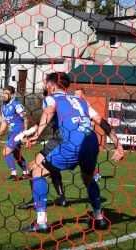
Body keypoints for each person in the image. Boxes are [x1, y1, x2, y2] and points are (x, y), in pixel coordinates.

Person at [21, 72, 124, 233]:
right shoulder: (81, 101)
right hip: (92, 143)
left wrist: (37, 134)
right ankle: (99, 218)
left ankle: (41, 222)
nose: (44, 85)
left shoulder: (51, 98)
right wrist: (119, 146)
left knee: (37, 172)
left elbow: (48, 111)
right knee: (88, 179)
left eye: (45, 83)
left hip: (73, 144)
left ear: (51, 85)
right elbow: (102, 123)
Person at [18, 82, 68, 210]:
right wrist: (30, 133)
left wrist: (34, 135)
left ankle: (36, 200)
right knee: (53, 167)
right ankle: (61, 197)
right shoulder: (67, 103)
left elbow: (47, 116)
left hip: (59, 139)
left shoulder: (50, 101)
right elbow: (41, 123)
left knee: (33, 167)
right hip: (63, 139)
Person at [0, 86, 29, 181]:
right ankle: (26, 173)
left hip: (17, 134)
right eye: (3, 93)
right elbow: (4, 122)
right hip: (10, 134)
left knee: (5, 152)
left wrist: (25, 134)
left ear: (12, 95)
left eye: (6, 93)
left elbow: (25, 119)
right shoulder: (3, 107)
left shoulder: (16, 105)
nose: (4, 95)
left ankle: (13, 174)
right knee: (17, 156)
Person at [74, 87, 102, 181]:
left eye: (78, 94)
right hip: (78, 134)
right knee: (82, 158)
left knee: (85, 157)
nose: (75, 96)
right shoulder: (73, 106)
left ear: (83, 95)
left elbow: (94, 122)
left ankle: (95, 173)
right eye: (75, 94)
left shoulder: (85, 105)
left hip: (87, 134)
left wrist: (85, 123)